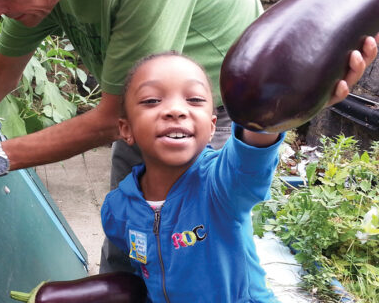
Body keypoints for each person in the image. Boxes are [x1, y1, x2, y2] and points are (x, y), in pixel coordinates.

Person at [0, 0, 376, 275]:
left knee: (200, 244)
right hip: (136, 108)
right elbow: (0, 73)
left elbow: (108, 121)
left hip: (217, 110)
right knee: (130, 242)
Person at [101, 51, 285, 302]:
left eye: (195, 99)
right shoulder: (118, 210)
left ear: (211, 127)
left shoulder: (221, 186)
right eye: (152, 100)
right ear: (126, 129)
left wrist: (272, 104)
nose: (176, 110)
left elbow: (251, 156)